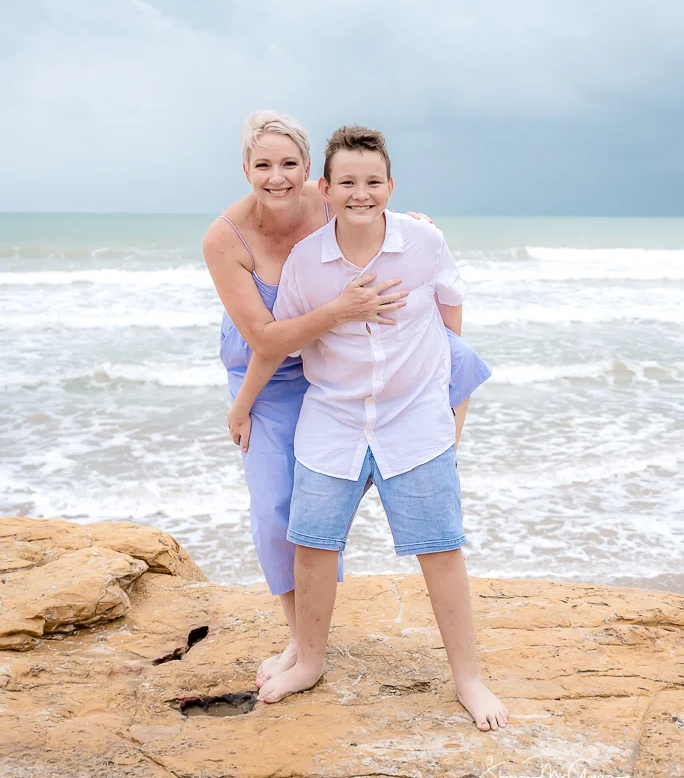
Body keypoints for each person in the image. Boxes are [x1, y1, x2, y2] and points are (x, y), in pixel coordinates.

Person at [203, 111, 492, 690]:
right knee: (284, 513)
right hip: (275, 362)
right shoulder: (233, 240)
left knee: (449, 377)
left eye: (289, 164)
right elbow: (267, 341)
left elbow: (420, 264)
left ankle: (462, 673)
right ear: (245, 170)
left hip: (349, 370)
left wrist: (441, 383)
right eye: (263, 165)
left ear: (311, 174)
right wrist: (242, 405)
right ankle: (303, 645)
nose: (277, 177)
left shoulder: (356, 208)